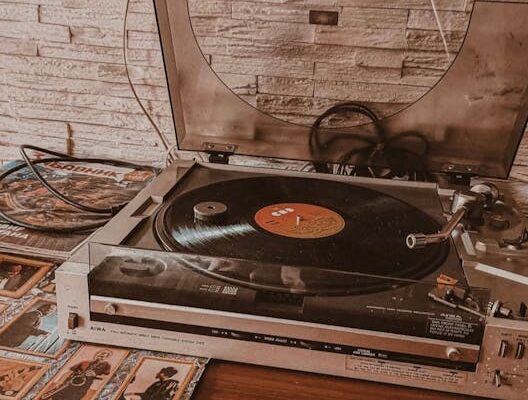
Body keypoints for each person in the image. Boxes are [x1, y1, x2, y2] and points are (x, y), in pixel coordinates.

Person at [39, 349, 112, 400]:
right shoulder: (85, 362)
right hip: (69, 383)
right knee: (57, 396)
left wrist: (94, 375)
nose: (103, 356)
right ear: (97, 354)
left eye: (106, 355)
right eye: (102, 354)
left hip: (82, 387)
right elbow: (69, 372)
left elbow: (108, 377)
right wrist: (60, 381)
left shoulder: (106, 365)